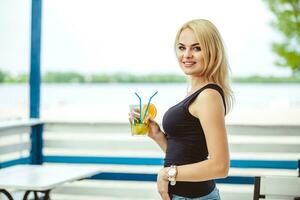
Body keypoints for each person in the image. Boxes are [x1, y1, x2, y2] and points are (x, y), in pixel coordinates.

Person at [130, 19, 233, 200]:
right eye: (181, 47)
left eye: (196, 48)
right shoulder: (194, 92)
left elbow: (220, 166)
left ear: (212, 52)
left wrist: (166, 174)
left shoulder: (208, 95)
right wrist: (157, 135)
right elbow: (187, 156)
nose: (187, 55)